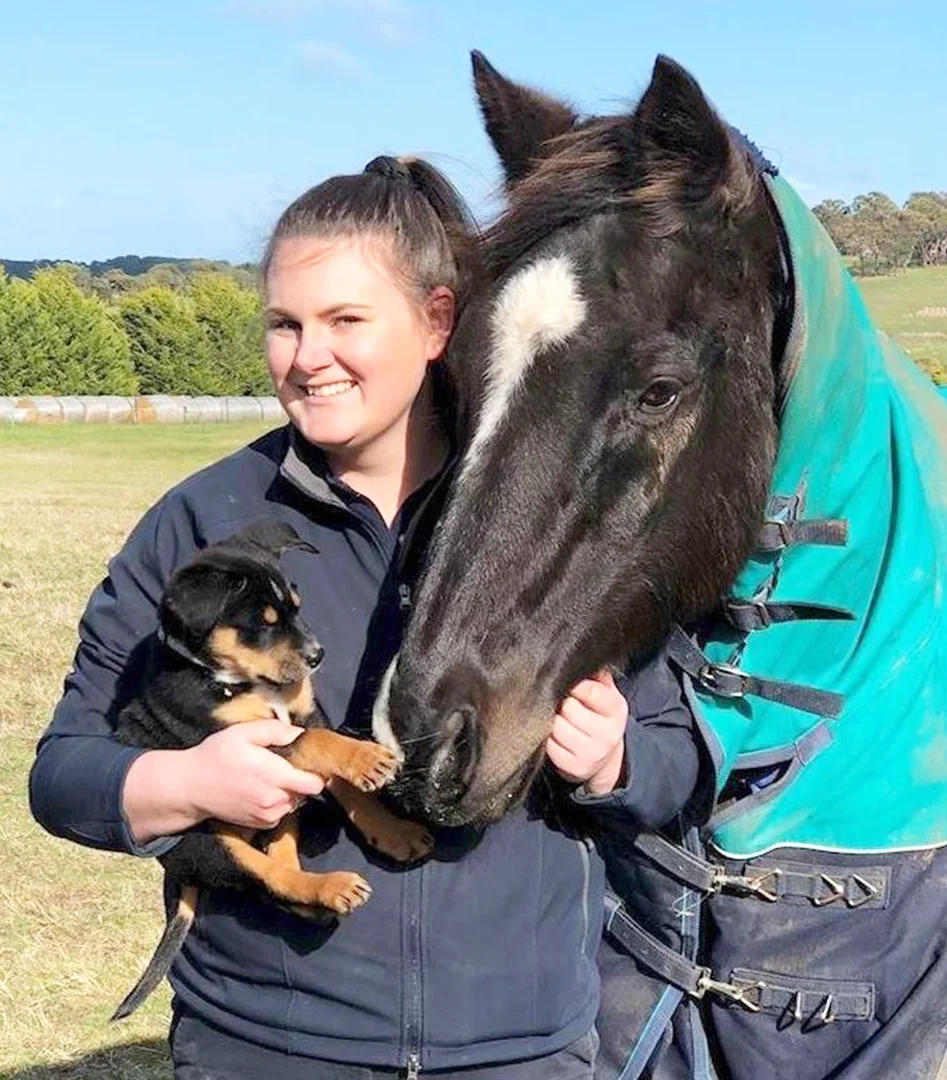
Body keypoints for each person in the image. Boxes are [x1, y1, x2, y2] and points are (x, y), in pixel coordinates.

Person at [29, 155, 702, 1079]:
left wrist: (617, 759)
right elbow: (63, 775)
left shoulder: (566, 514)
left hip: (522, 1052)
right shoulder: (201, 522)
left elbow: (682, 763)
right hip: (265, 1048)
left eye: (347, 320)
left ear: (436, 321)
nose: (309, 358)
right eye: (284, 324)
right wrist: (186, 782)